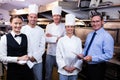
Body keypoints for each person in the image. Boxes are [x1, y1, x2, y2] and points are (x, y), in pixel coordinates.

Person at [78, 12, 114, 80]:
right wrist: (82, 54)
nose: (95, 24)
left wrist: (92, 58)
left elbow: (109, 55)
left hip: (98, 68)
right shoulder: (90, 35)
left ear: (102, 22)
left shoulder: (107, 37)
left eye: (97, 21)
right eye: (93, 21)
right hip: (88, 66)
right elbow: (86, 49)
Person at [0, 15, 34, 80]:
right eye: (15, 23)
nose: (18, 26)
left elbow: (30, 52)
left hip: (26, 70)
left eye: (20, 23)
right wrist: (18, 59)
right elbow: (2, 58)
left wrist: (28, 57)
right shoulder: (4, 38)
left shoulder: (26, 37)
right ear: (11, 24)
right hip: (13, 71)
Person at [21, 4, 45, 80]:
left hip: (37, 60)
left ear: (37, 18)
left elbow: (42, 46)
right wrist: (28, 56)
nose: (33, 19)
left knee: (38, 78)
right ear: (28, 17)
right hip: (26, 60)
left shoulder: (41, 30)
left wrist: (34, 57)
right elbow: (20, 45)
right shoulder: (22, 29)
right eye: (31, 17)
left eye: (35, 17)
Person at [56, 14, 83, 80]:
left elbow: (81, 56)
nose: (70, 28)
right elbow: (58, 56)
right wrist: (65, 67)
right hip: (63, 70)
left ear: (74, 28)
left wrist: (75, 67)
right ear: (65, 27)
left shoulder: (78, 40)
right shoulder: (61, 40)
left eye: (71, 26)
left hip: (74, 70)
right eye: (68, 26)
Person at [45, 6, 65, 80]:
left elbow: (64, 40)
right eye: (54, 16)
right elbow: (46, 39)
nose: (56, 17)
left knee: (61, 73)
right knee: (48, 73)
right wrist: (57, 38)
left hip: (60, 54)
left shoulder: (64, 26)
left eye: (58, 16)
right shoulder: (49, 26)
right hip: (49, 53)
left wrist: (52, 36)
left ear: (60, 16)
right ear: (53, 17)